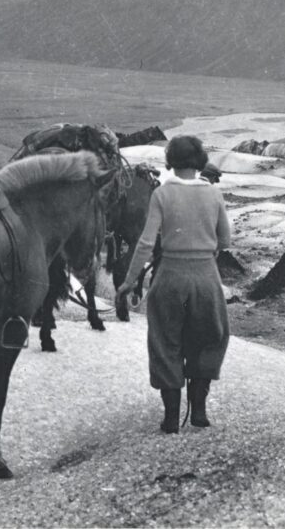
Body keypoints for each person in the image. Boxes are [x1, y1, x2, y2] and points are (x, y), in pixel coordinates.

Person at [115, 136, 231, 433]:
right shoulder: (214, 195)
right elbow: (225, 241)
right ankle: (199, 411)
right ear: (200, 160)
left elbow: (144, 243)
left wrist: (129, 282)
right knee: (209, 338)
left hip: (169, 278)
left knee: (166, 342)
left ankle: (170, 418)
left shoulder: (162, 195)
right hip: (206, 277)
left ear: (171, 161)